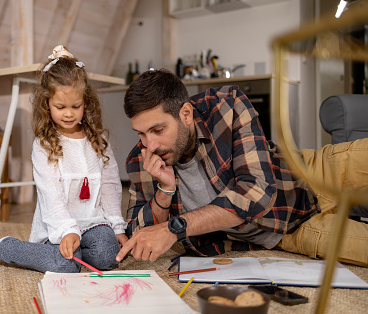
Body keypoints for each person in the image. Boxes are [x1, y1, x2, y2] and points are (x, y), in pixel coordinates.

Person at [115, 68, 368, 267]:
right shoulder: (141, 159)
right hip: (289, 230)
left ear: (186, 114)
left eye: (158, 130)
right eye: (141, 134)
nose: (150, 144)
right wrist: (165, 190)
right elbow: (138, 235)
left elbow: (256, 191)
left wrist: (175, 227)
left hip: (312, 171)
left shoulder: (226, 106)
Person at [0, 45, 128, 273]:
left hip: (93, 222)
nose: (68, 113)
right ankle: (7, 248)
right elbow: (50, 195)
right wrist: (67, 229)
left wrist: (116, 226)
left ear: (86, 102)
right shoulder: (43, 145)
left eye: (76, 106)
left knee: (108, 257)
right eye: (60, 107)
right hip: (58, 224)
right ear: (47, 104)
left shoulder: (99, 140)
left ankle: (81, 250)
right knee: (66, 264)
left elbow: (110, 185)